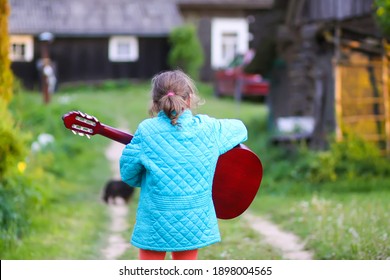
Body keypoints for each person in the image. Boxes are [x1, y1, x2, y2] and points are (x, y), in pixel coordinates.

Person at [119, 70, 248, 260]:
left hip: (155, 221)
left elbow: (128, 174)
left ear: (155, 103)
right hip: (193, 222)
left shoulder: (146, 131)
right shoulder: (209, 129)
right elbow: (240, 129)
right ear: (189, 99)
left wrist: (148, 178)